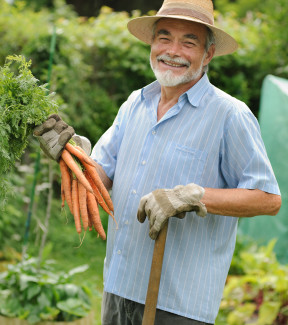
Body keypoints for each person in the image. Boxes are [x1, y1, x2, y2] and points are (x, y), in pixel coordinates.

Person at [34, 0, 282, 324]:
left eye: (188, 42)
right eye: (164, 38)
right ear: (152, 44)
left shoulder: (228, 115)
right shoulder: (134, 104)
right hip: (118, 287)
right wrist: (71, 153)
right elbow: (100, 177)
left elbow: (268, 199)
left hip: (178, 305)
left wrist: (193, 196)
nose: (172, 51)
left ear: (208, 54)